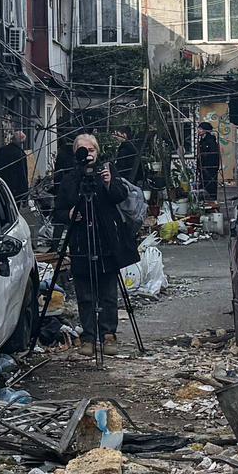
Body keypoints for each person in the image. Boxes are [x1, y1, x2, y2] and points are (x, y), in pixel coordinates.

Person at [53, 132, 137, 364]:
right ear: (76, 153)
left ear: (97, 152)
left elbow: (120, 196)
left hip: (106, 241)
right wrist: (70, 214)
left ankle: (108, 335)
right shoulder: (70, 179)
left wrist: (109, 182)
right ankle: (88, 337)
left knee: (108, 292)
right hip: (81, 242)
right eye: (83, 150)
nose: (88, 155)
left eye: (91, 150)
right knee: (85, 295)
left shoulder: (106, 171)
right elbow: (58, 211)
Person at [0, 128, 31, 199]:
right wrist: (24, 193)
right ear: (20, 142)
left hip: (0, 185)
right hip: (15, 190)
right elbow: (22, 174)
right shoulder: (20, 154)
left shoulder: (1, 150)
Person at [195, 121, 222, 200]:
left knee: (210, 185)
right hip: (203, 167)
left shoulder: (210, 141)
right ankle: (204, 200)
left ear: (205, 130)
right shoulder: (202, 140)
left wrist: (207, 167)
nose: (198, 131)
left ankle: (211, 200)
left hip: (209, 168)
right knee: (203, 185)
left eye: (200, 129)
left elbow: (213, 155)